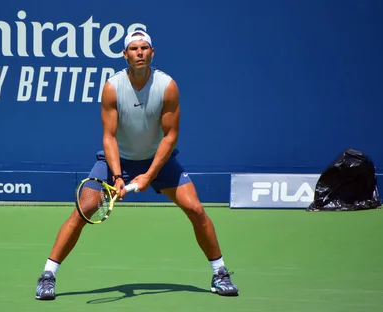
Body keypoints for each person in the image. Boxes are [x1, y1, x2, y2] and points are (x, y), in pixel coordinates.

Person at [35, 30, 239, 300]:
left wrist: (149, 175)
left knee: (196, 209)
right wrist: (118, 176)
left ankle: (219, 273)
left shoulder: (167, 86)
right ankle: (48, 275)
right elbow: (108, 137)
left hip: (159, 161)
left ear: (152, 53)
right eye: (134, 48)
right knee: (84, 210)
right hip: (117, 160)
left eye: (144, 48)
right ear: (125, 54)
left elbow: (171, 136)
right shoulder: (112, 87)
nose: (139, 52)